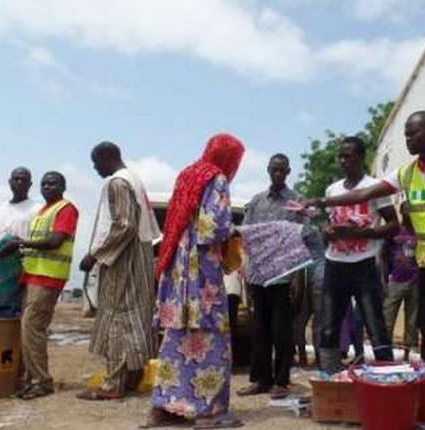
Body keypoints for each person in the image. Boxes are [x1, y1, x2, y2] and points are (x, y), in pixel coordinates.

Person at [304, 111, 425, 428]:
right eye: (405, 134)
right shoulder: (406, 173)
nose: (408, 139)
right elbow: (366, 193)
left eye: (413, 133)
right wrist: (323, 201)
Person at [144, 133, 244, 429]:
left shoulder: (187, 175)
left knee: (176, 337)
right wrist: (238, 233)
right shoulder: (217, 178)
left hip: (177, 267)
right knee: (211, 334)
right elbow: (214, 227)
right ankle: (207, 412)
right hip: (202, 269)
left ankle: (164, 408)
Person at [237, 153, 324, 400]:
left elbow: (307, 236)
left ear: (288, 172)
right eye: (274, 170)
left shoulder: (296, 201)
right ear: (268, 170)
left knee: (282, 330)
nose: (278, 174)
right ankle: (260, 380)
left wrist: (299, 274)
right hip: (258, 275)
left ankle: (281, 381)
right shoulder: (256, 202)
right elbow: (247, 235)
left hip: (285, 276)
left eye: (282, 170)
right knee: (260, 329)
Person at [76, 142, 160, 400]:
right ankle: (132, 377)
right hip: (141, 257)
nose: (95, 169)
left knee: (116, 318)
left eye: (96, 163)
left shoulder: (117, 183)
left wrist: (95, 254)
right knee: (136, 318)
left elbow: (124, 226)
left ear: (106, 157)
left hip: (124, 260)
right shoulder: (135, 180)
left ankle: (113, 385)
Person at [318, 136, 397, 374]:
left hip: (364, 266)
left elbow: (394, 225)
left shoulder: (374, 187)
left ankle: (388, 378)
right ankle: (330, 381)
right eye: (340, 156)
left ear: (361, 157)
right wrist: (327, 231)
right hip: (335, 264)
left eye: (349, 156)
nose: (343, 161)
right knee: (330, 326)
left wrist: (363, 232)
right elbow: (329, 223)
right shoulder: (333, 190)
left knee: (375, 326)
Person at [11, 171, 79, 400]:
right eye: (44, 183)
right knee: (27, 329)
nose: (47, 186)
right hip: (33, 275)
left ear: (63, 186)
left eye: (53, 183)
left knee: (32, 327)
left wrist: (22, 244)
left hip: (48, 276)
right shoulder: (42, 211)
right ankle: (32, 379)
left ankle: (41, 380)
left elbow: (55, 240)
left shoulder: (66, 209)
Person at [382, 202, 419, 360]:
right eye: (407, 209)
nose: (409, 212)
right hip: (395, 280)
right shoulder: (394, 231)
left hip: (415, 280)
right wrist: (383, 278)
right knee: (388, 316)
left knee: (412, 319)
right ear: (402, 211)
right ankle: (384, 351)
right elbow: (382, 254)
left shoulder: (419, 232)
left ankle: (407, 352)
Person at [0, 167, 40, 248]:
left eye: (24, 179)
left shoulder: (39, 209)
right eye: (16, 179)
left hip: (27, 259)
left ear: (30, 184)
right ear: (10, 182)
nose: (20, 182)